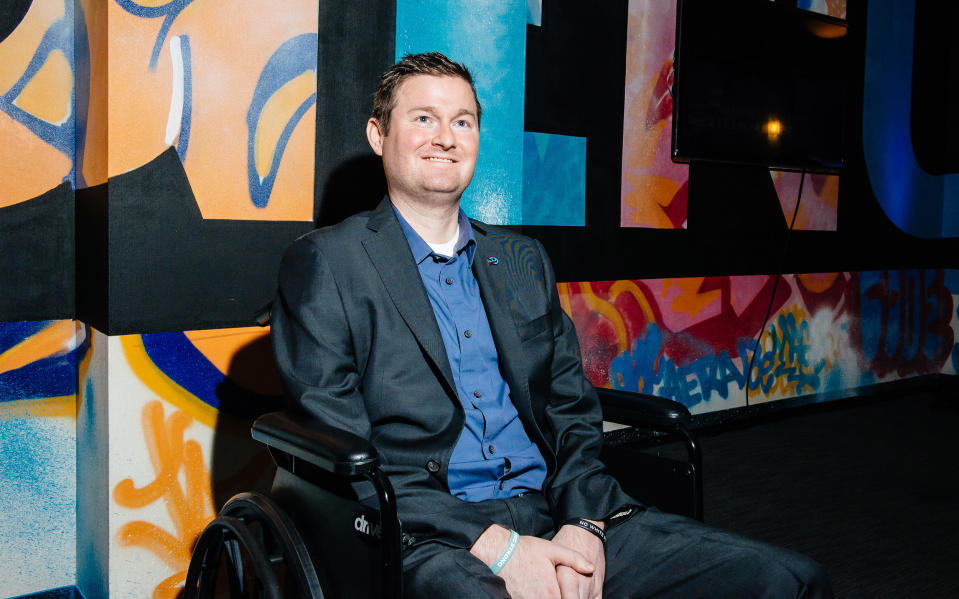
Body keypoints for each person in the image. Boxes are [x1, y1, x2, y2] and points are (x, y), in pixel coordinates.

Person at [271, 52, 832, 599]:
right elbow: (348, 455)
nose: (445, 137)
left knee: (788, 580)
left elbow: (573, 410)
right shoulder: (328, 264)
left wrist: (585, 525)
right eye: (423, 118)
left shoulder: (521, 261)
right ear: (378, 135)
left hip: (561, 507)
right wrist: (498, 548)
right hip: (429, 530)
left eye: (462, 121)